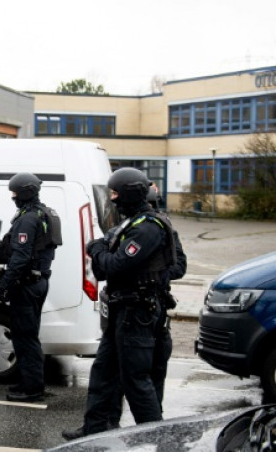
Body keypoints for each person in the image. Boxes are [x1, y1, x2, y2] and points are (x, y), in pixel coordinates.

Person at [63, 168, 178, 440]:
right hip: (120, 310)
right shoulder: (131, 224)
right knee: (103, 372)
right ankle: (95, 429)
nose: (112, 199)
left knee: (136, 380)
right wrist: (103, 251)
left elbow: (113, 265)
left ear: (128, 192)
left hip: (136, 312)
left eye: (115, 193)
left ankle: (154, 438)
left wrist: (97, 249)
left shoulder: (149, 228)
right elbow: (105, 268)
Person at [103, 182, 187, 429]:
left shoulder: (157, 228)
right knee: (114, 372)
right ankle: (104, 425)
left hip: (148, 307)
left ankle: (153, 431)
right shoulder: (127, 226)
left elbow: (179, 266)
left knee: (146, 376)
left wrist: (150, 272)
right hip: (126, 304)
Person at [0, 172, 61, 402]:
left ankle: (32, 387)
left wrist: (5, 284)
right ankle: (29, 381)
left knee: (25, 336)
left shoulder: (28, 218)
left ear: (23, 193)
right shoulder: (45, 214)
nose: (13, 197)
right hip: (39, 280)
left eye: (14, 193)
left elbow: (21, 257)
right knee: (28, 334)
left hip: (27, 283)